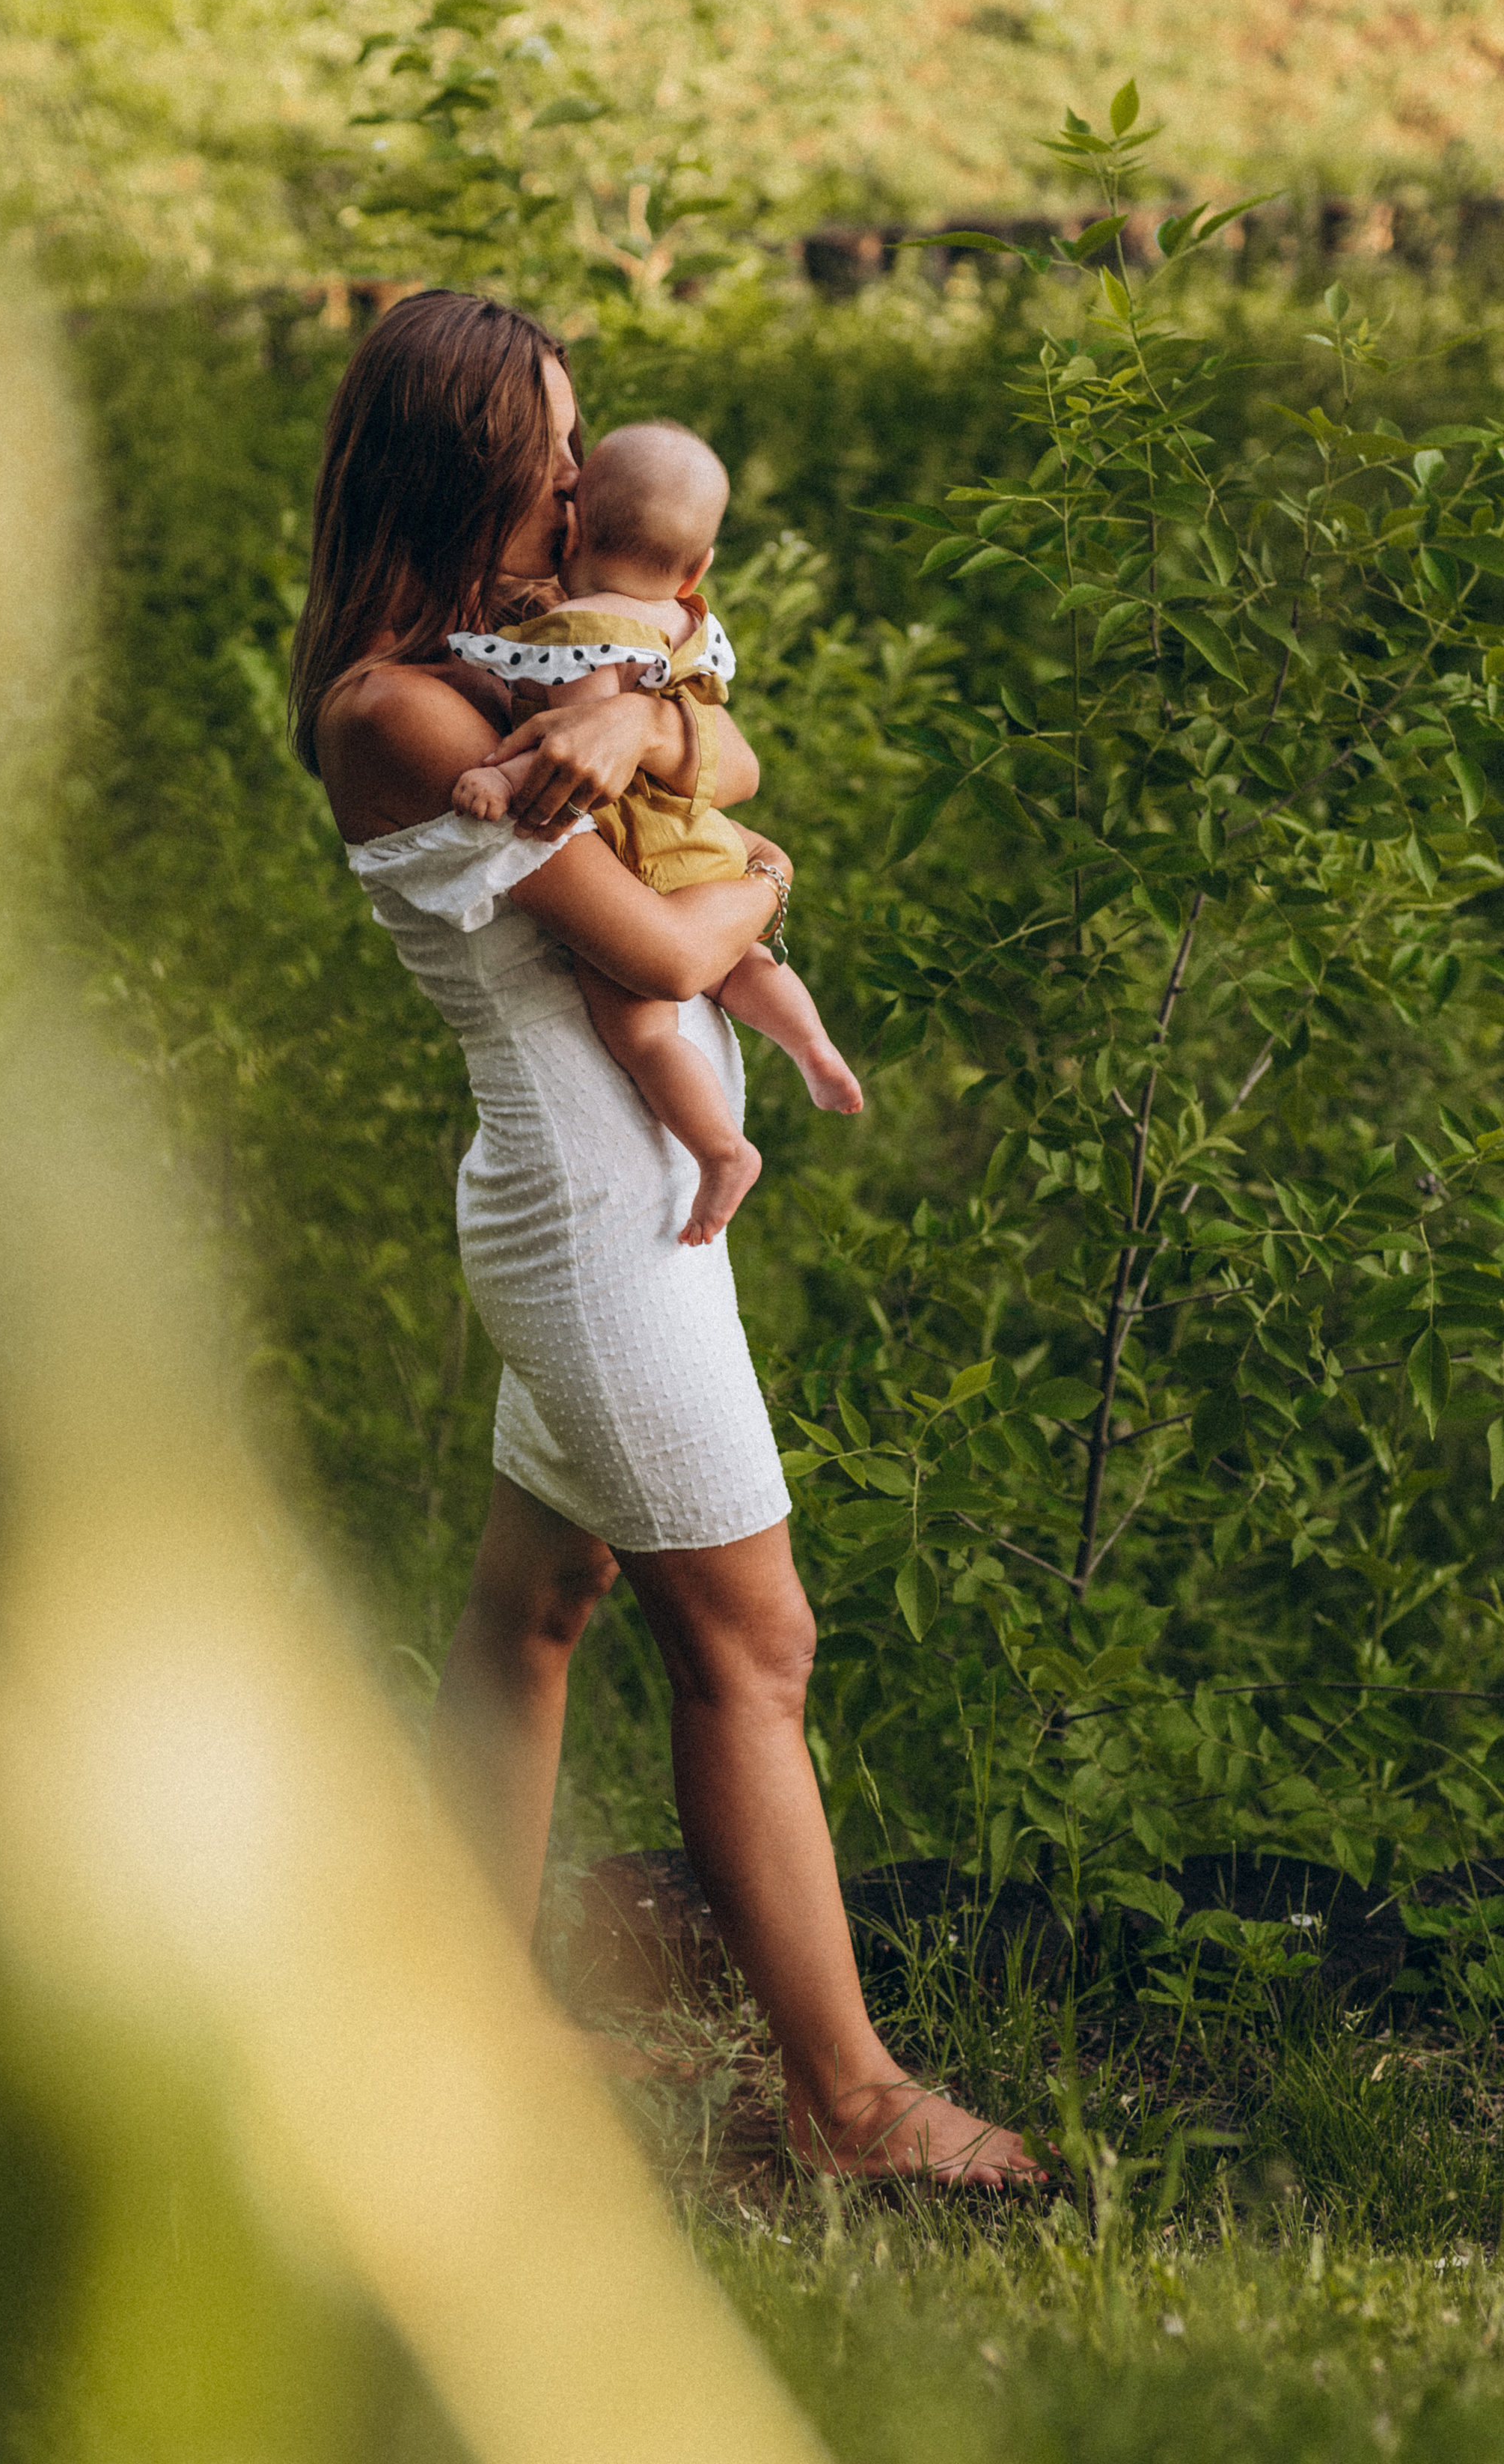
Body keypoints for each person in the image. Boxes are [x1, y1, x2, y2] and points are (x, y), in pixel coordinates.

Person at [289, 287, 1041, 2185]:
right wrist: (761, 879)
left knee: (534, 1606)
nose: (576, 492)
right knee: (756, 1646)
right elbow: (668, 944)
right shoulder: (400, 712)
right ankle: (849, 2104)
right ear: (463, 472)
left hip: (604, 1198)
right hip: (594, 1219)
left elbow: (721, 742)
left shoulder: (526, 665)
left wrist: (648, 707)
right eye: (549, 462)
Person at [447, 418, 860, 1245]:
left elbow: (575, 753)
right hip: (704, 837)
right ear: (698, 567)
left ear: (573, 530)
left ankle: (721, 1151)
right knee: (745, 961)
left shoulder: (578, 630)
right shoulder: (685, 625)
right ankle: (814, 1048)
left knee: (639, 1030)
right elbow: (715, 760)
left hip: (638, 855)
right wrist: (767, 867)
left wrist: (498, 776)